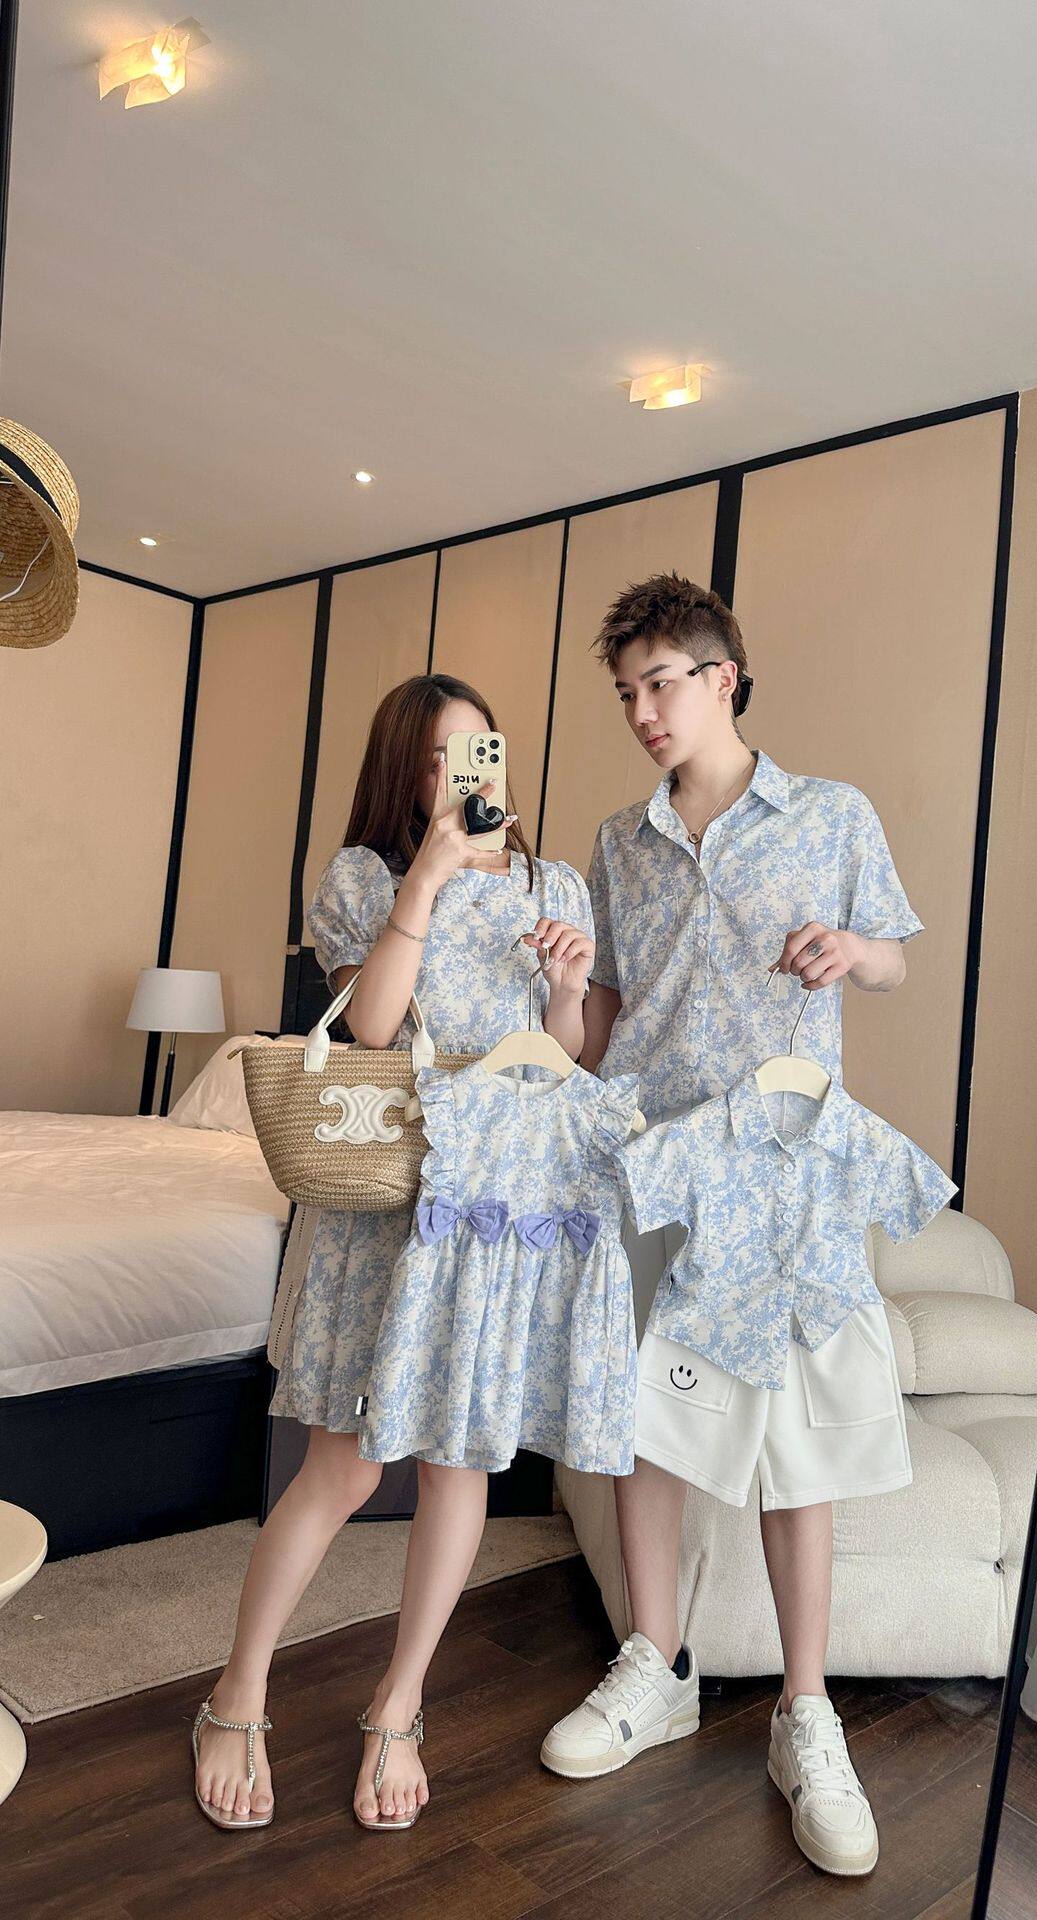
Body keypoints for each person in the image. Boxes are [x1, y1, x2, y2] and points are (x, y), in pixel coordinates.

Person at [541, 574, 926, 1877]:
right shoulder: (617, 843)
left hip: (784, 1160)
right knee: (640, 1424)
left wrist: (849, 954)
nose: (641, 711)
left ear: (722, 676)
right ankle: (653, 1667)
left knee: (794, 1442)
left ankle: (805, 1715)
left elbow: (891, 956)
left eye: (659, 683)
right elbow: (600, 1034)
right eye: (624, 693)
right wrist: (565, 990)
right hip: (655, 1163)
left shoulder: (830, 814)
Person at [192, 672, 595, 1832]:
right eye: (436, 758)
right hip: (383, 1202)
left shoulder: (552, 885)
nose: (462, 775)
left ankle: (398, 1705)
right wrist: (426, 876)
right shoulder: (362, 877)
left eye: (478, 751)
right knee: (342, 1468)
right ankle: (236, 1693)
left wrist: (566, 990)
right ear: (403, 773)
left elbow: (559, 1056)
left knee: (459, 1469)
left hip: (488, 1207)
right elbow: (368, 1030)